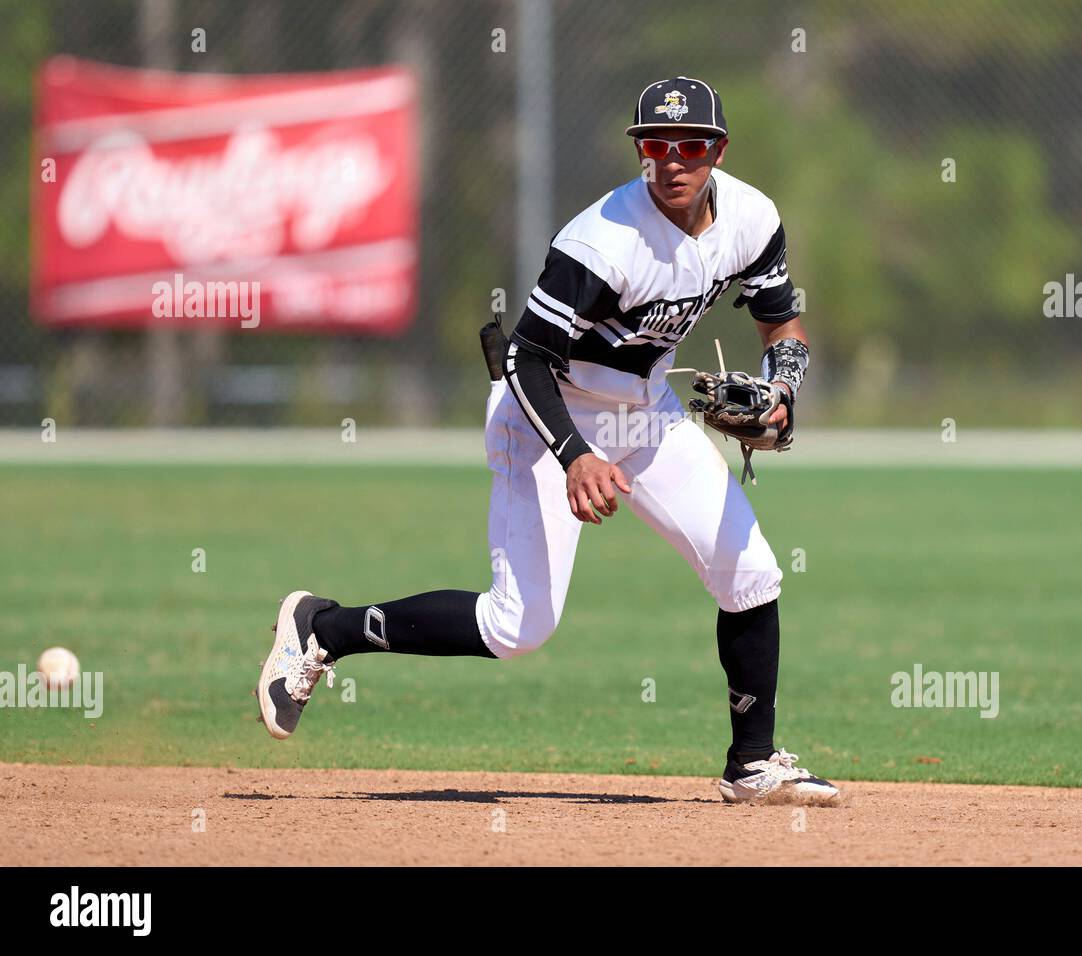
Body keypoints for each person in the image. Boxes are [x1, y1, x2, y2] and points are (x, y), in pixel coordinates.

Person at [257, 76, 838, 805]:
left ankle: (751, 764)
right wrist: (574, 455)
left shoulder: (751, 218)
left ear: (719, 150)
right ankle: (326, 628)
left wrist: (784, 392)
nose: (672, 161)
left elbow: (780, 324)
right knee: (518, 624)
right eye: (655, 146)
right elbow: (524, 358)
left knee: (751, 572)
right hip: (546, 413)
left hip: (644, 411)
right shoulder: (601, 241)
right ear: (640, 151)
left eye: (691, 145)